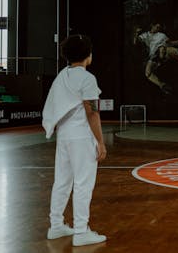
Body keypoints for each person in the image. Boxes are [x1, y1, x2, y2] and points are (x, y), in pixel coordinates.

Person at [42, 34, 107, 247]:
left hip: (64, 136)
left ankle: (56, 226)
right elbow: (92, 112)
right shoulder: (88, 79)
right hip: (81, 137)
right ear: (88, 55)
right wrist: (100, 141)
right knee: (83, 184)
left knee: (61, 182)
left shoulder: (61, 76)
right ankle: (81, 231)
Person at [133, 22, 178, 93]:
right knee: (148, 73)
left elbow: (170, 43)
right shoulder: (146, 35)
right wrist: (136, 33)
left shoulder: (161, 35)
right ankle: (162, 85)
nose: (157, 29)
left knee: (172, 51)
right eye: (156, 27)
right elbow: (136, 42)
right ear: (152, 26)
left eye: (159, 28)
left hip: (164, 52)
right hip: (154, 56)